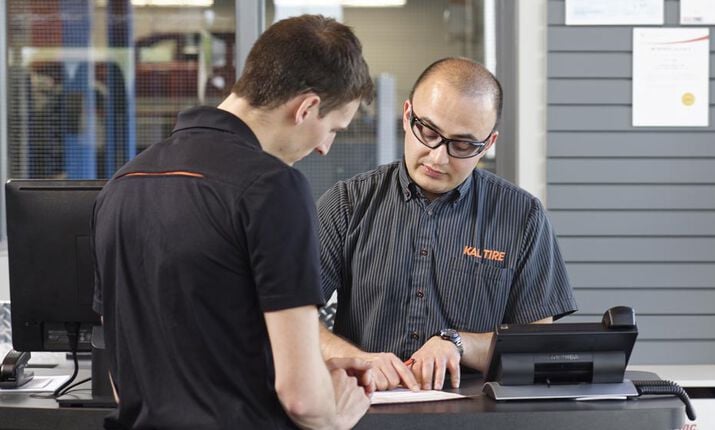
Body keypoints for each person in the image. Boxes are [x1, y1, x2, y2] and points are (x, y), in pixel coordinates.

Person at [92, 15, 375, 429]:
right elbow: (302, 399)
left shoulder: (122, 184)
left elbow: (125, 378)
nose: (325, 148)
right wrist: (335, 412)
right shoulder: (274, 187)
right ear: (307, 107)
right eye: (333, 129)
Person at [317, 57, 578, 392]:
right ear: (408, 115)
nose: (438, 157)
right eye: (428, 132)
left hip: (476, 410)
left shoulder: (522, 217)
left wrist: (458, 343)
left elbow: (538, 346)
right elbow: (292, 320)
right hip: (364, 404)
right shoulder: (346, 204)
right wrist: (358, 359)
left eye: (462, 145)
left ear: (488, 144)